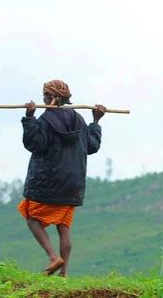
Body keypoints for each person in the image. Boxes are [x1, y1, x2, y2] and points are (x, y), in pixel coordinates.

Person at [17, 79, 105, 276]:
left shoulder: (45, 121)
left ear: (49, 97)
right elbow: (92, 146)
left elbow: (35, 144)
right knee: (63, 227)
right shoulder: (80, 121)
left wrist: (29, 118)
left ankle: (53, 257)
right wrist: (96, 121)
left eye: (44, 96)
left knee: (32, 219)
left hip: (47, 183)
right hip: (73, 185)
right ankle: (64, 272)